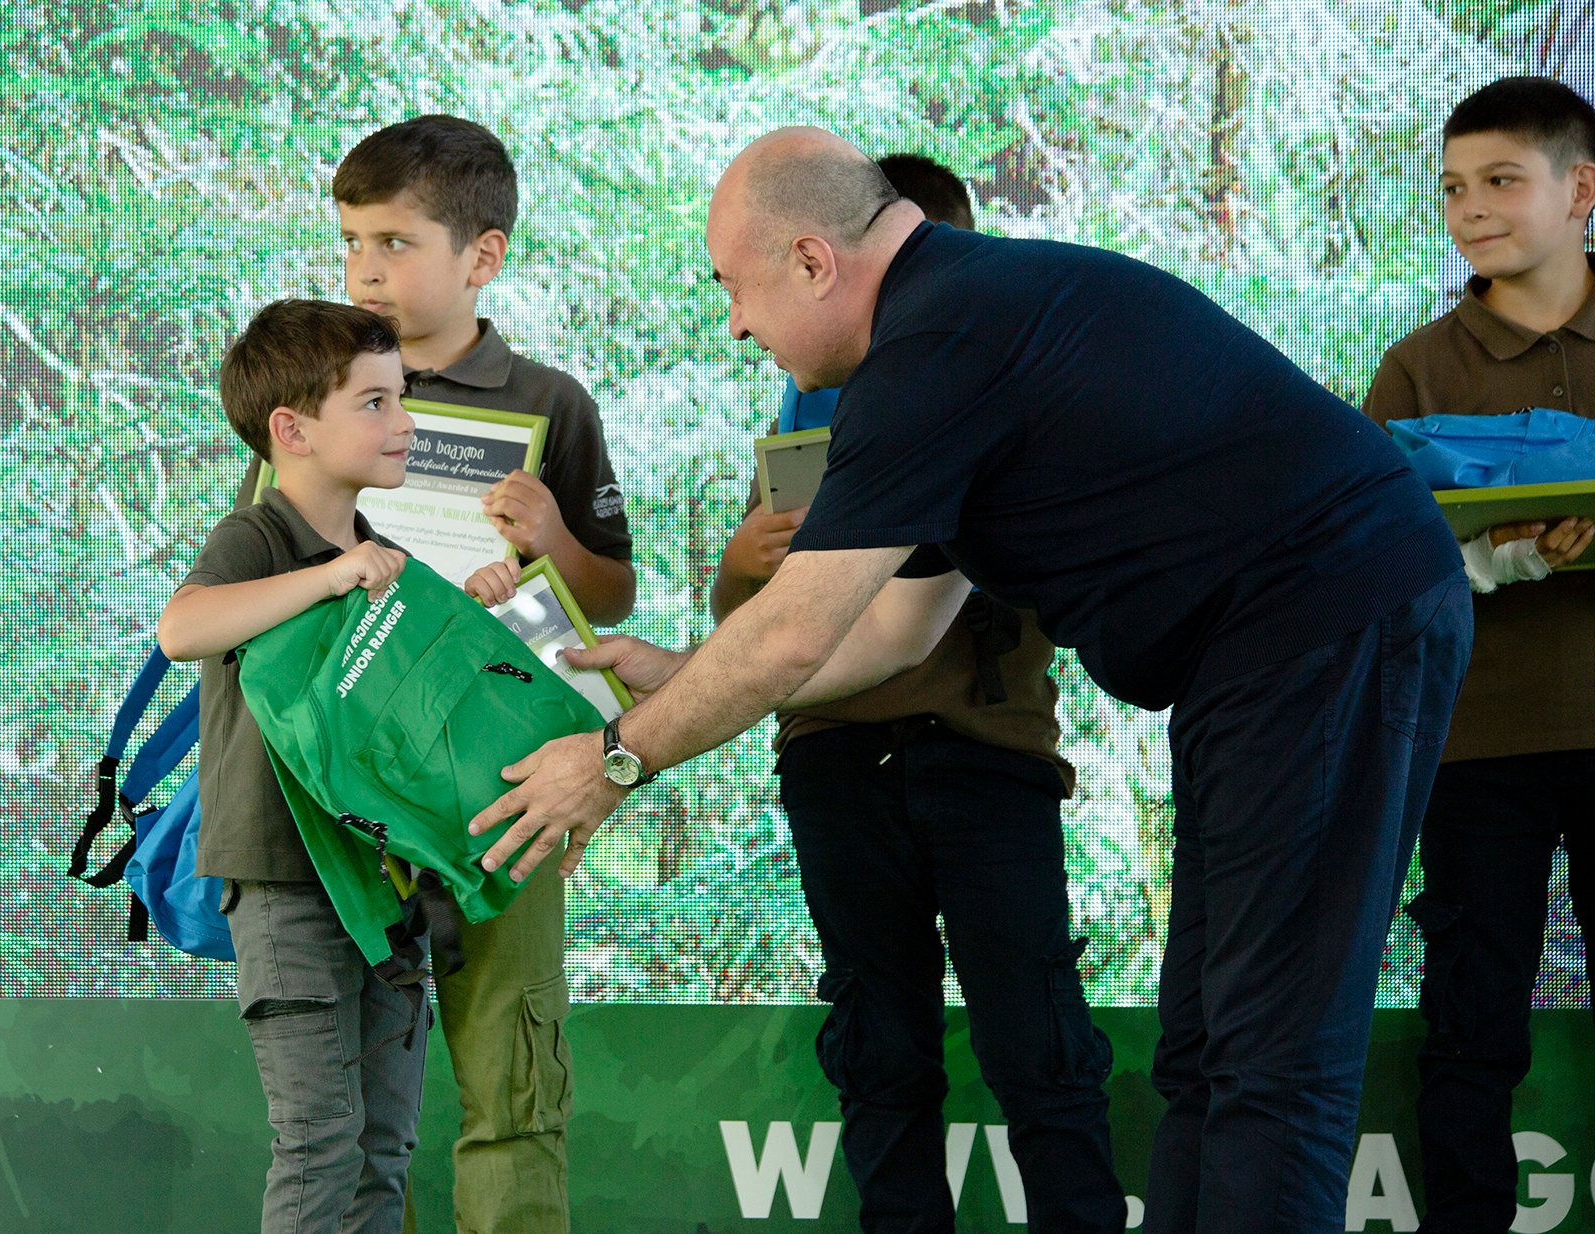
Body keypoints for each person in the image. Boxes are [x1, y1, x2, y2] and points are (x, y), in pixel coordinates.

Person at [466, 127, 1473, 1234]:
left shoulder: (937, 340)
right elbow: (895, 631)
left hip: (1329, 623)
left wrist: (615, 758)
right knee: (1205, 1046)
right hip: (1262, 658)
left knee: (1271, 1060)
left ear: (813, 261)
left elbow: (794, 635)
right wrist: (677, 673)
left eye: (735, 289)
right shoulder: (954, 324)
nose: (738, 325)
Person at [713, 151, 1124, 1233]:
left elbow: (1029, 584)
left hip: (988, 750)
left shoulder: (1004, 386)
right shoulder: (803, 428)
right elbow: (744, 630)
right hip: (835, 755)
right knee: (878, 1041)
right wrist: (747, 561)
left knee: (1036, 1033)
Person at [314, 114, 634, 1234]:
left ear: (481, 255)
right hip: (350, 790)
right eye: (351, 241)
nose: (364, 268)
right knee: (348, 1098)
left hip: (505, 784)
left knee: (512, 1079)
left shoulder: (551, 402)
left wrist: (553, 542)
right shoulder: (312, 387)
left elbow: (611, 594)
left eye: (394, 242)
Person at [158, 299, 506, 1234]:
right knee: (319, 1142)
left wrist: (469, 614)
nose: (406, 423)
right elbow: (181, 628)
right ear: (292, 430)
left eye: (403, 399)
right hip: (286, 882)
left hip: (383, 887)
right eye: (376, 402)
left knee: (383, 1146)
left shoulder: (385, 554)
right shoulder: (257, 538)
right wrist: (328, 576)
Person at [1364, 75, 1595, 1234]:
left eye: (1501, 180)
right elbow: (1366, 567)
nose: (1472, 210)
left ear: (1581, 189)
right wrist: (1502, 557)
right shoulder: (1415, 368)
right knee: (1469, 1027)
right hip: (1471, 748)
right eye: (1454, 188)